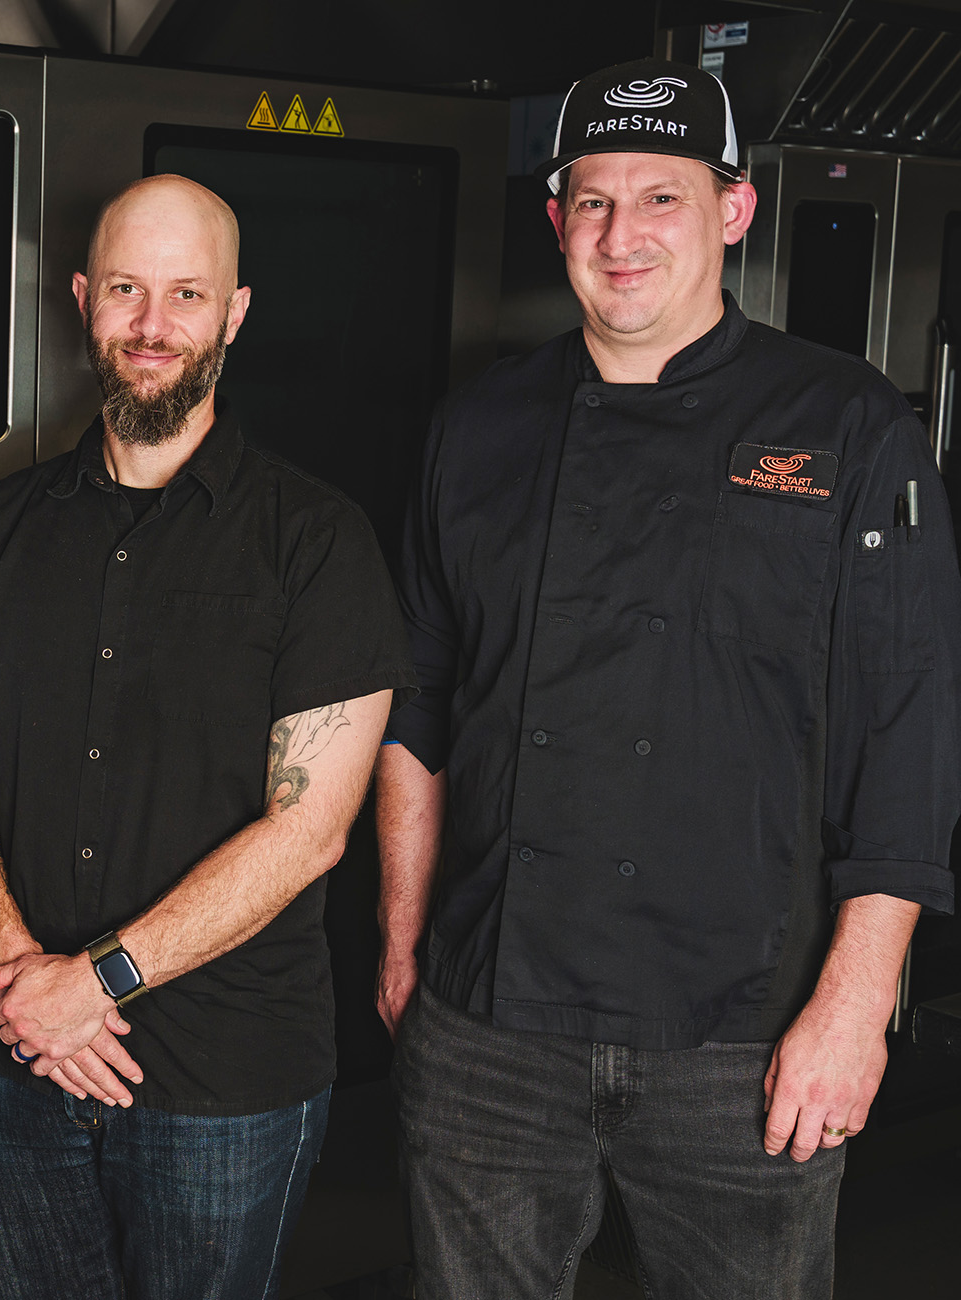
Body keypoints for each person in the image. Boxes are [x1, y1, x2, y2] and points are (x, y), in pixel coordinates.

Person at [376, 59, 961, 1299]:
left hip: (740, 1033)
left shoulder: (848, 425)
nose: (620, 234)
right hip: (490, 1020)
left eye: (661, 197)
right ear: (554, 221)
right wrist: (399, 940)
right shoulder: (476, 425)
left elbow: (905, 737)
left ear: (731, 211)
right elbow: (418, 698)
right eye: (592, 200)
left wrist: (851, 1011)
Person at [0, 174, 416, 1300]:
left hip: (224, 1080)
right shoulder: (1, 525)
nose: (151, 325)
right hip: (21, 1055)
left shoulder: (315, 544)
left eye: (185, 294)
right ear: (81, 299)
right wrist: (25, 982)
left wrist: (91, 981)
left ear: (233, 312)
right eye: (125, 291)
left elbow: (308, 832)